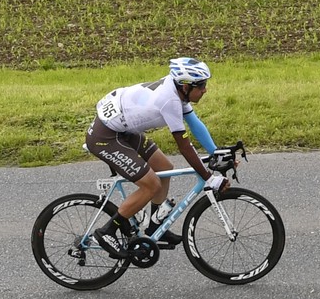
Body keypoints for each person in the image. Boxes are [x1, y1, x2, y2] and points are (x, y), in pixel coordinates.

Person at [83, 57, 226, 255]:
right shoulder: (169, 101)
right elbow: (184, 146)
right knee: (151, 184)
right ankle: (107, 230)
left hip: (122, 128)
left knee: (164, 169)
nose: (205, 89)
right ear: (185, 86)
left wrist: (217, 153)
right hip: (106, 136)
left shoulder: (177, 92)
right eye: (201, 85)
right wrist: (210, 178)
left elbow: (195, 124)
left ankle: (153, 226)